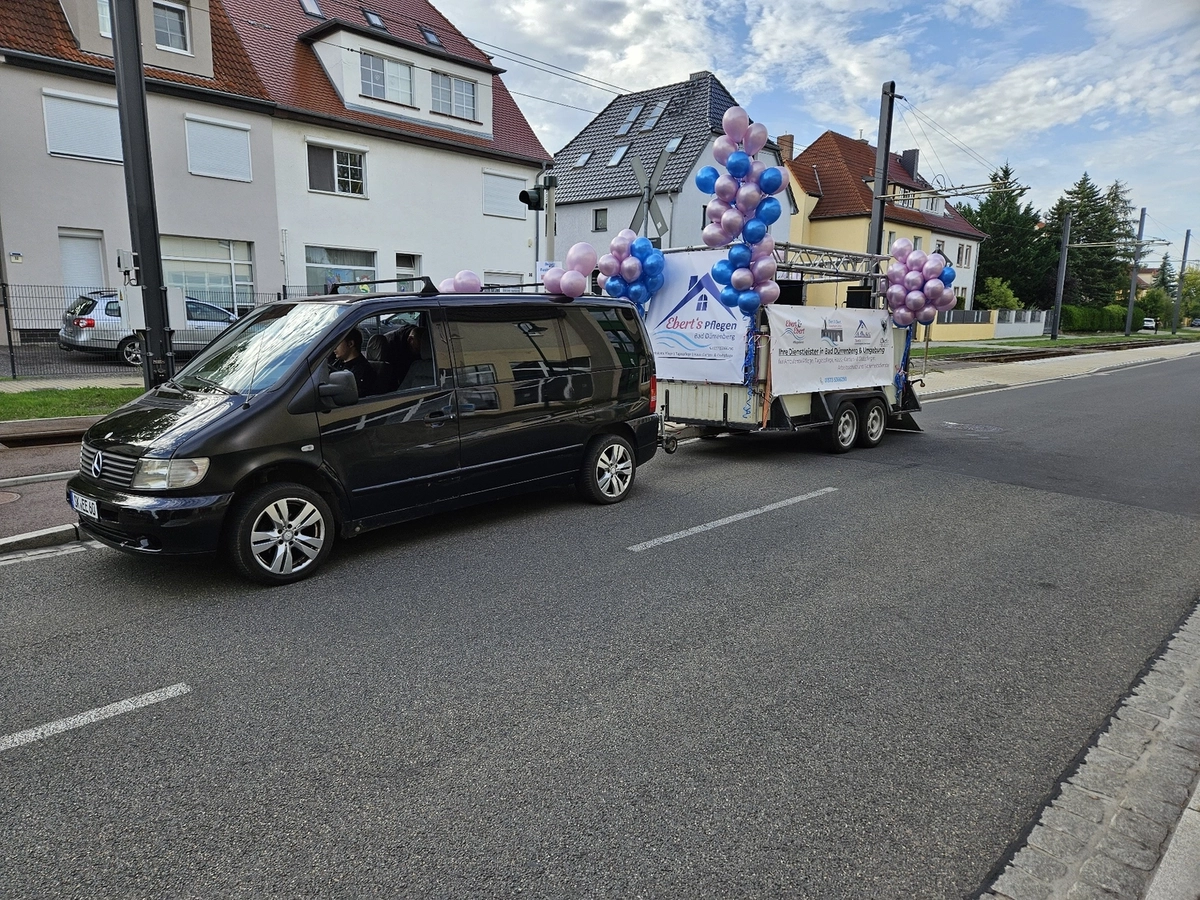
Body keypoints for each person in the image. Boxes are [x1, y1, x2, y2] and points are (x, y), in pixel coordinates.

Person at [331, 328, 376, 397]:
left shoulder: (362, 371)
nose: (334, 347)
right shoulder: (337, 362)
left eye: (338, 343)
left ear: (350, 344)